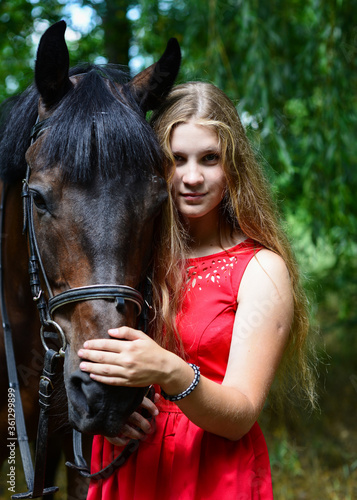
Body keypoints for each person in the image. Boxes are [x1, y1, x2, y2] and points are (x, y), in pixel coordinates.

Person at [79, 82, 316, 499]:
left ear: (234, 166)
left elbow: (240, 416)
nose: (192, 177)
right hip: (129, 463)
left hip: (209, 471)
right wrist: (107, 415)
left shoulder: (260, 269)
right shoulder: (134, 258)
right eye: (177, 159)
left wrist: (167, 370)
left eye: (210, 159)